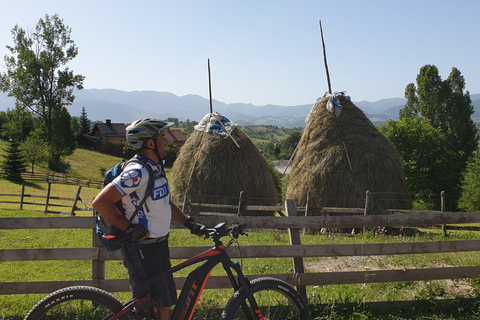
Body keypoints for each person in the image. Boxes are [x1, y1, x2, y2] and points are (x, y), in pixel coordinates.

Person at [92, 118, 204, 319]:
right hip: (142, 250)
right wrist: (128, 228)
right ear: (150, 143)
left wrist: (189, 223)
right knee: (147, 310)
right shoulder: (137, 172)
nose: (167, 141)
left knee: (165, 302)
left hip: (159, 246)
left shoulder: (155, 168)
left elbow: (164, 202)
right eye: (162, 137)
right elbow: (100, 203)